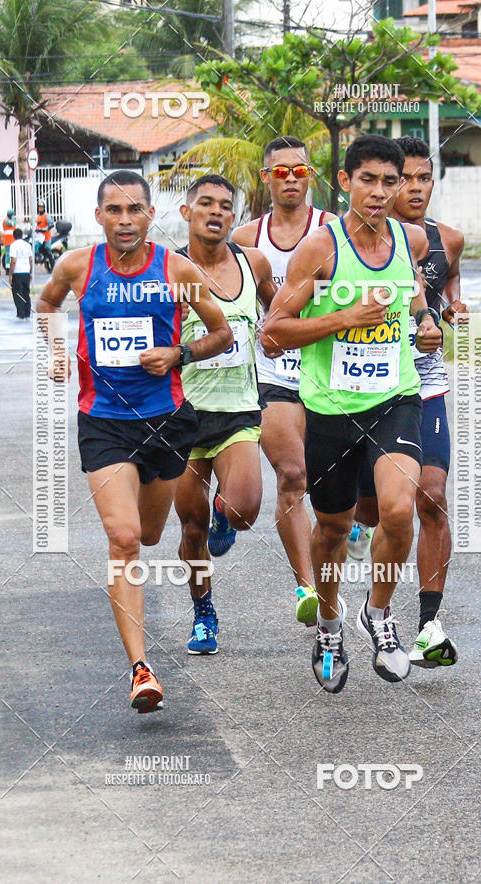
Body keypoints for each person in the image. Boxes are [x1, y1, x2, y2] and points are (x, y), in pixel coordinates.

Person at [36, 170, 232, 714]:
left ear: (152, 215)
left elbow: (223, 333)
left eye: (135, 211)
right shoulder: (77, 265)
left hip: (165, 421)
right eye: (114, 211)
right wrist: (56, 351)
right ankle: (141, 669)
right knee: (122, 540)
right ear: (99, 216)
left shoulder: (177, 269)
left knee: (147, 535)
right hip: (103, 422)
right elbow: (47, 306)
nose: (125, 221)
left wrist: (180, 354)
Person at [263, 134, 441, 693]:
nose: (382, 192)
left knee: (397, 510)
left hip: (395, 399)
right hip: (330, 408)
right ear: (345, 182)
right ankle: (330, 620)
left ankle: (380, 614)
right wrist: (343, 319)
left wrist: (425, 323)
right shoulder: (322, 248)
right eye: (369, 180)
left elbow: (411, 298)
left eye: (393, 181)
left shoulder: (411, 241)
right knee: (334, 526)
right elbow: (273, 334)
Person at [349, 136, 466, 669]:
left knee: (432, 497)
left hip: (425, 382)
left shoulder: (447, 240)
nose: (415, 189)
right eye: (405, 179)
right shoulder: (352, 241)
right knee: (377, 510)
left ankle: (429, 624)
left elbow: (446, 288)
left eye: (424, 178)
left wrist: (451, 309)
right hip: (369, 387)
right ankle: (369, 586)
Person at [231, 136, 339, 627]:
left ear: (310, 175)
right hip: (272, 372)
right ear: (265, 178)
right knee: (292, 474)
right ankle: (306, 586)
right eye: (280, 172)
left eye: (299, 171)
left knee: (339, 486)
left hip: (329, 370)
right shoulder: (245, 239)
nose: (290, 179)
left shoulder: (334, 231)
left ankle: (343, 536)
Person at [174, 174, 276, 655]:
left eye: (226, 207)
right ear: (186, 213)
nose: (216, 212)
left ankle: (223, 516)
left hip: (239, 410)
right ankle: (203, 615)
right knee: (189, 530)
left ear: (234, 217)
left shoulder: (253, 262)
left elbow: (281, 310)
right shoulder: (168, 270)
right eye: (206, 204)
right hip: (180, 415)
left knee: (244, 508)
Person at [9, 228, 33, 319]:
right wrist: (30, 272)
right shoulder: (27, 245)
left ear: (14, 236)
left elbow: (13, 261)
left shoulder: (13, 245)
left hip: (17, 272)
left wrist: (10, 274)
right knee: (26, 293)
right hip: (26, 271)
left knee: (18, 293)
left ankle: (20, 313)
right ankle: (27, 312)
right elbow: (30, 260)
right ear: (22, 235)